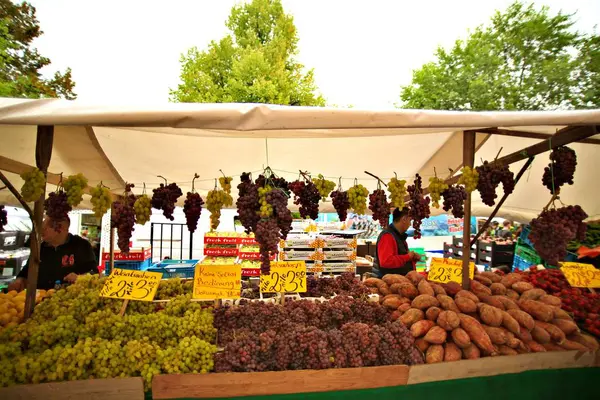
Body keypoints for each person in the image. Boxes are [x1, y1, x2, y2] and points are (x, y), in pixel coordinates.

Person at [8, 216, 99, 291]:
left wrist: (79, 278)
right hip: (39, 301)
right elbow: (26, 273)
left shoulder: (81, 245)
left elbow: (93, 273)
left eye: (46, 227)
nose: (42, 230)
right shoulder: (40, 248)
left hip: (69, 303)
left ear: (61, 229)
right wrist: (19, 280)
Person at [371, 207, 421, 278]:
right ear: (404, 219)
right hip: (386, 284)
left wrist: (412, 258)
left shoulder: (399, 236)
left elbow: (399, 259)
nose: (410, 224)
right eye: (410, 220)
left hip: (397, 283)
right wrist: (407, 257)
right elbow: (386, 262)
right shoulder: (387, 236)